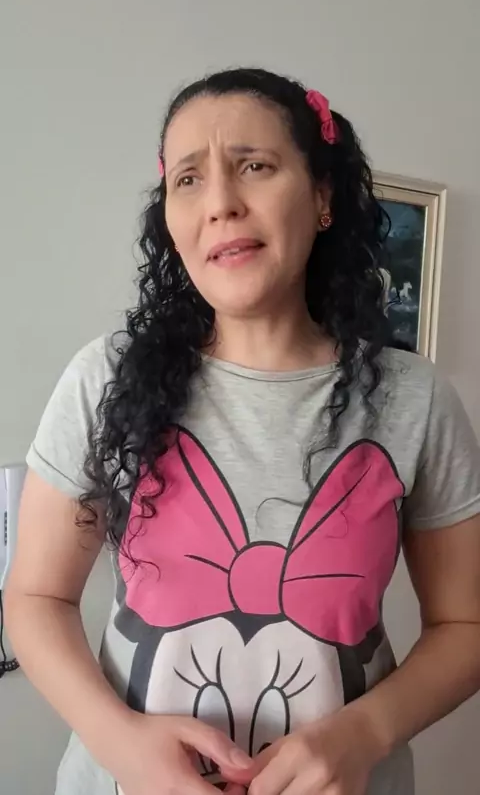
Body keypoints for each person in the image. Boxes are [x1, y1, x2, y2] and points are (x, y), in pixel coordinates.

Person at [5, 68, 480, 795]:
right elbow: (36, 598)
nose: (220, 203)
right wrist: (122, 746)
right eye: (188, 179)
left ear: (322, 197)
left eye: (254, 166)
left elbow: (465, 626)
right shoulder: (105, 378)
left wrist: (365, 733)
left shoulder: (415, 399)